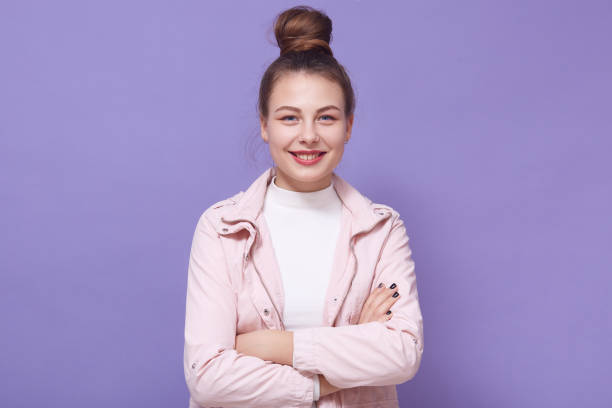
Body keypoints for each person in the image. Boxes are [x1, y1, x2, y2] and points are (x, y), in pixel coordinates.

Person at [183, 5, 424, 408]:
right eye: (290, 118)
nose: (308, 136)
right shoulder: (222, 227)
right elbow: (207, 378)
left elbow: (403, 354)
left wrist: (274, 345)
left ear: (348, 126)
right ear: (264, 125)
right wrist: (343, 358)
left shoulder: (382, 229)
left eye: (326, 118)